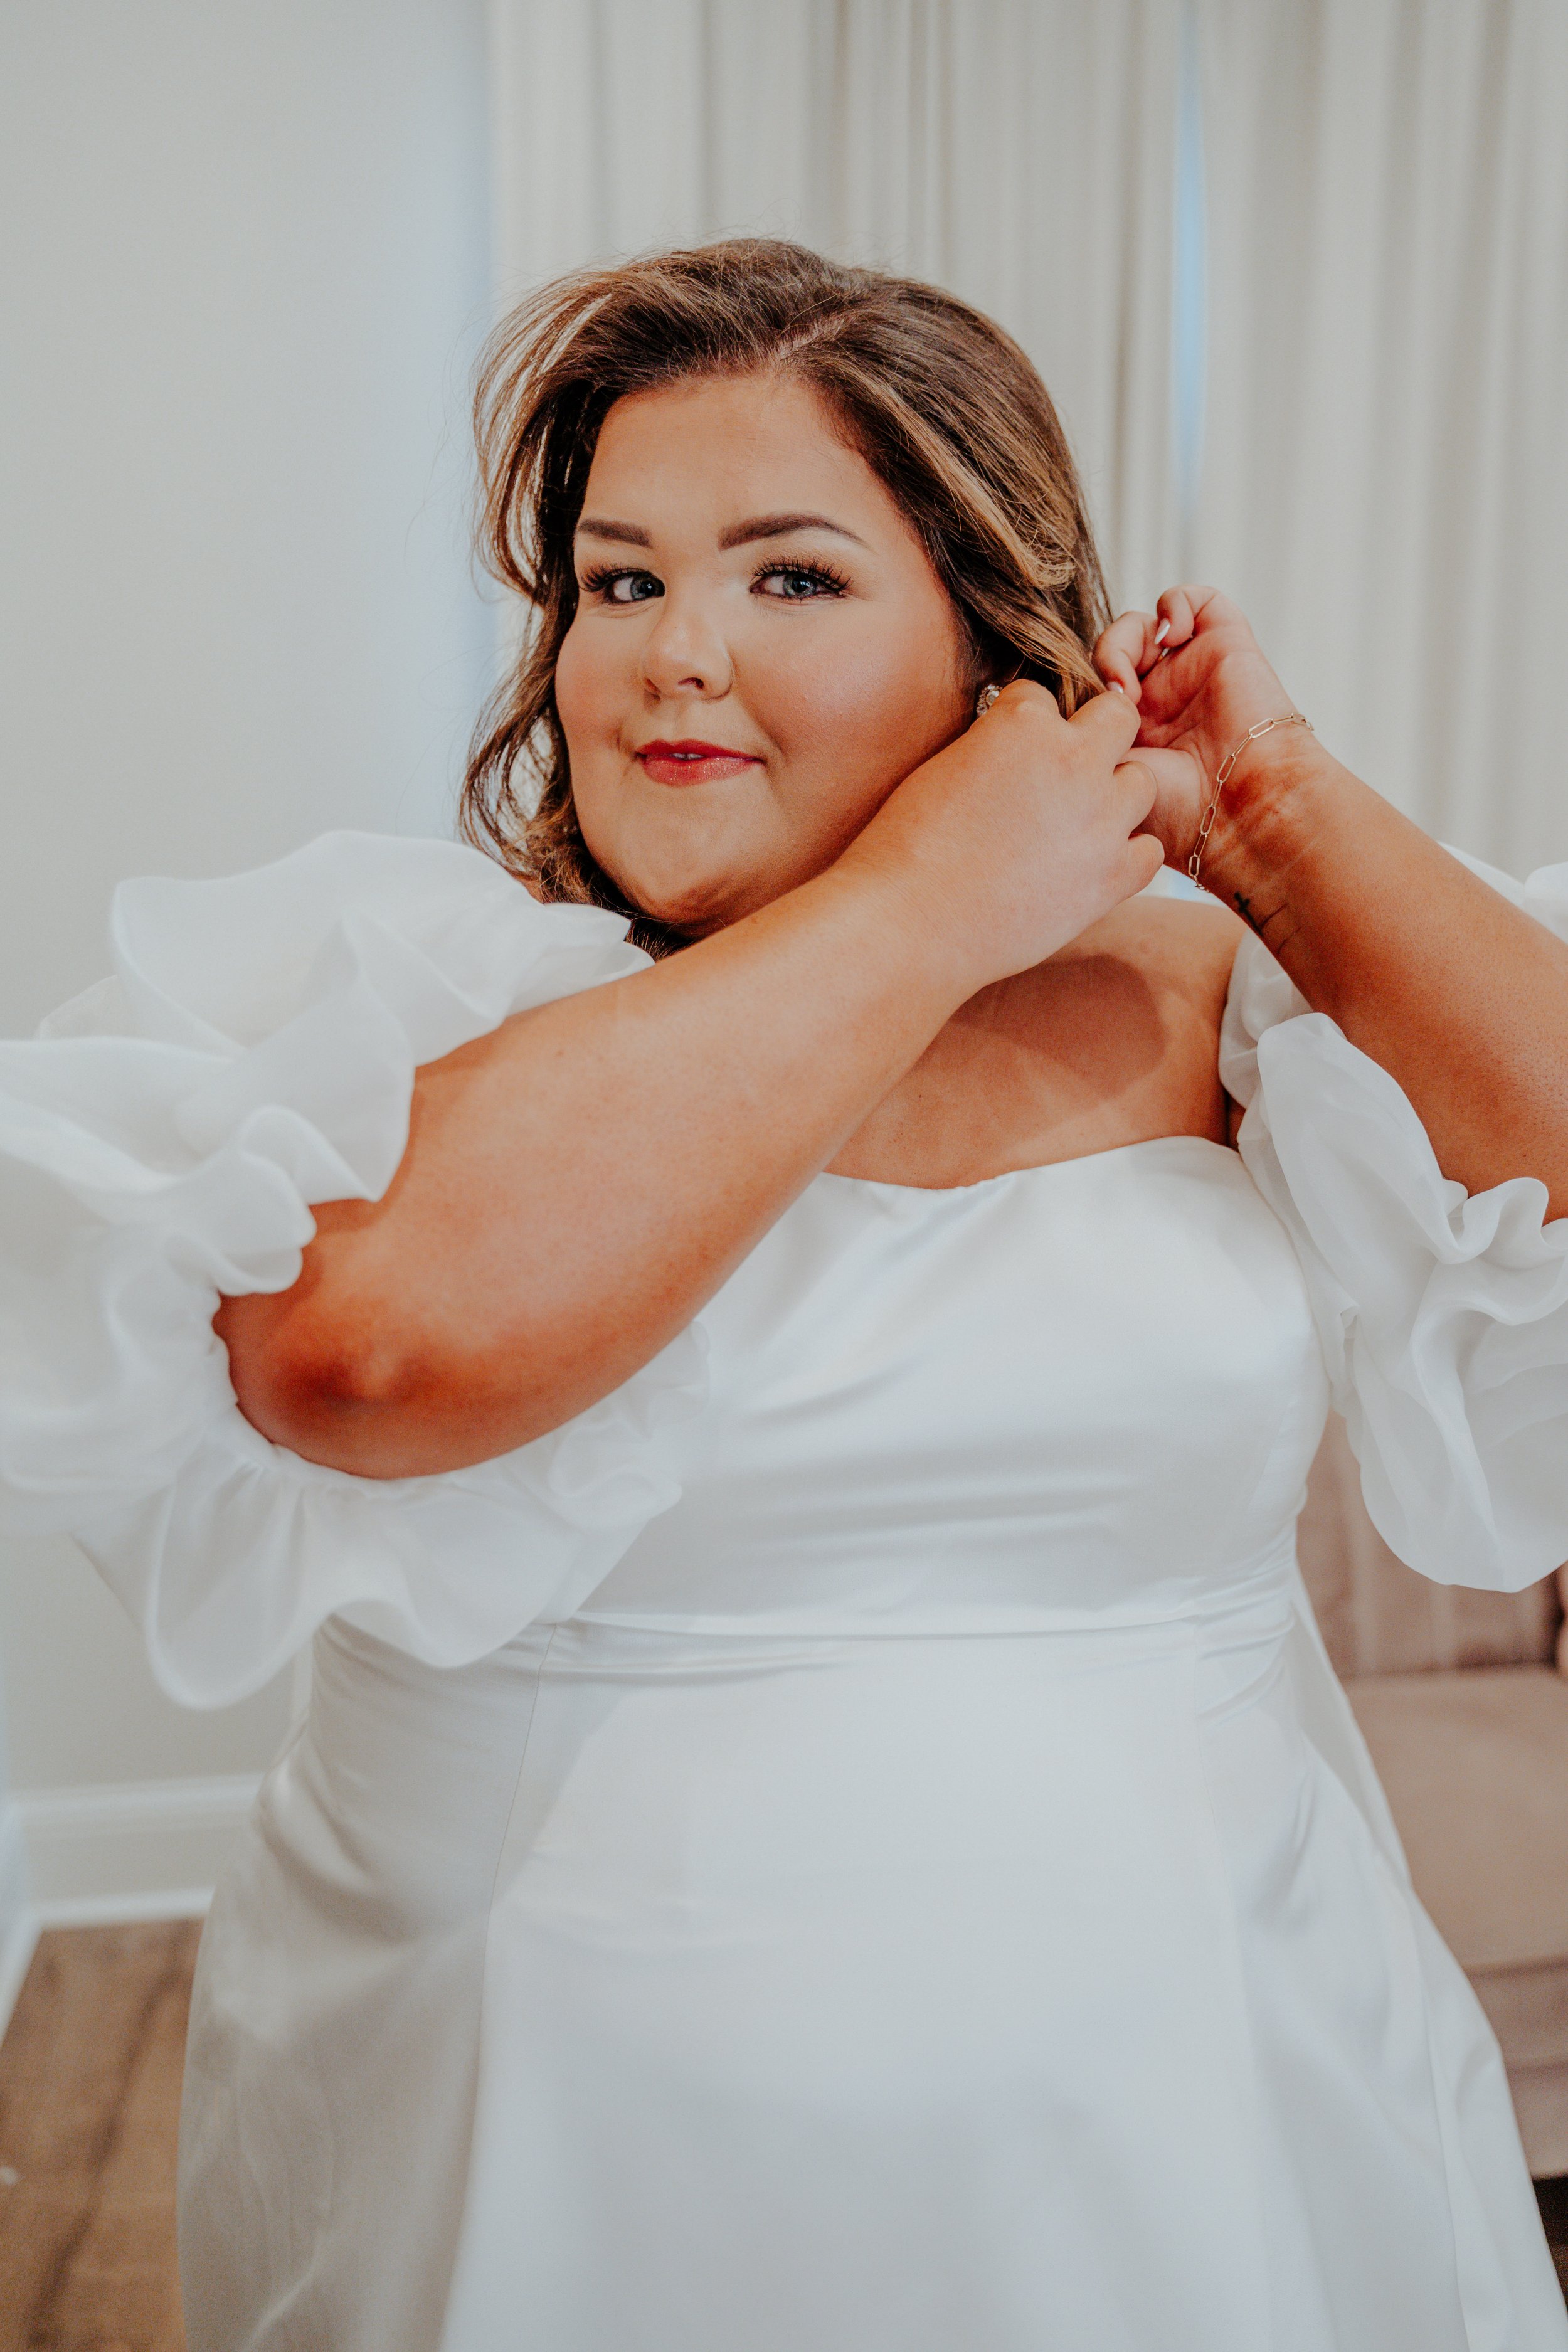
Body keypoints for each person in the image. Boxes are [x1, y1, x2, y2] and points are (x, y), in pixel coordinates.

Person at [3, 238, 1568, 2352]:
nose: (671, 657)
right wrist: (933, 897)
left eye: (790, 579)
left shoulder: (1214, 1002)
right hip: (563, 2109)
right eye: (618, 579)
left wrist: (1279, 819)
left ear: (983, 630)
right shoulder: (433, 1002)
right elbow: (362, 1359)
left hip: (1195, 2059)